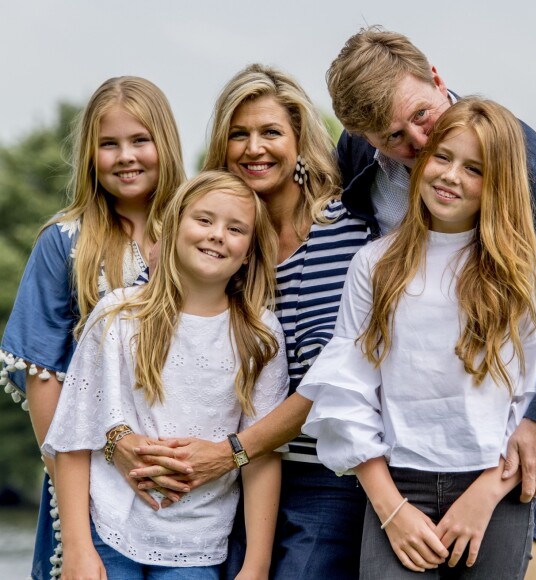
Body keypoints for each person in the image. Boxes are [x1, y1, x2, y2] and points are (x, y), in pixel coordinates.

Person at [326, 26, 536, 578]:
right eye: (391, 137)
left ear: (436, 78)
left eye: (421, 117)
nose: (417, 145)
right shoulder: (357, 159)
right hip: (404, 462)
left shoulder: (521, 161)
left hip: (511, 459)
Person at [122, 64, 371, 578]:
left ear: (300, 141)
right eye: (239, 134)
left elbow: (341, 376)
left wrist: (232, 452)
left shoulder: (352, 234)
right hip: (218, 484)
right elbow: (139, 321)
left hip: (328, 475)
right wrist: (121, 440)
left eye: (271, 132)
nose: (254, 147)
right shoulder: (219, 240)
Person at [41, 170, 289, 579]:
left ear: (249, 252)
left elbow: (260, 456)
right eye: (204, 220)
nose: (216, 235)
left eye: (236, 228)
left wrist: (257, 565)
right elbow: (74, 435)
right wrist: (77, 549)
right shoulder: (119, 315)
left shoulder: (259, 336)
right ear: (173, 228)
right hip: (108, 533)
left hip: (197, 545)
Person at [0, 75, 186, 579]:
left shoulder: (201, 234)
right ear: (90, 153)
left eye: (139, 140)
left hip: (192, 493)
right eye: (109, 144)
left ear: (164, 142)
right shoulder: (65, 244)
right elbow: (44, 379)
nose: (125, 156)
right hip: (93, 492)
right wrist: (79, 538)